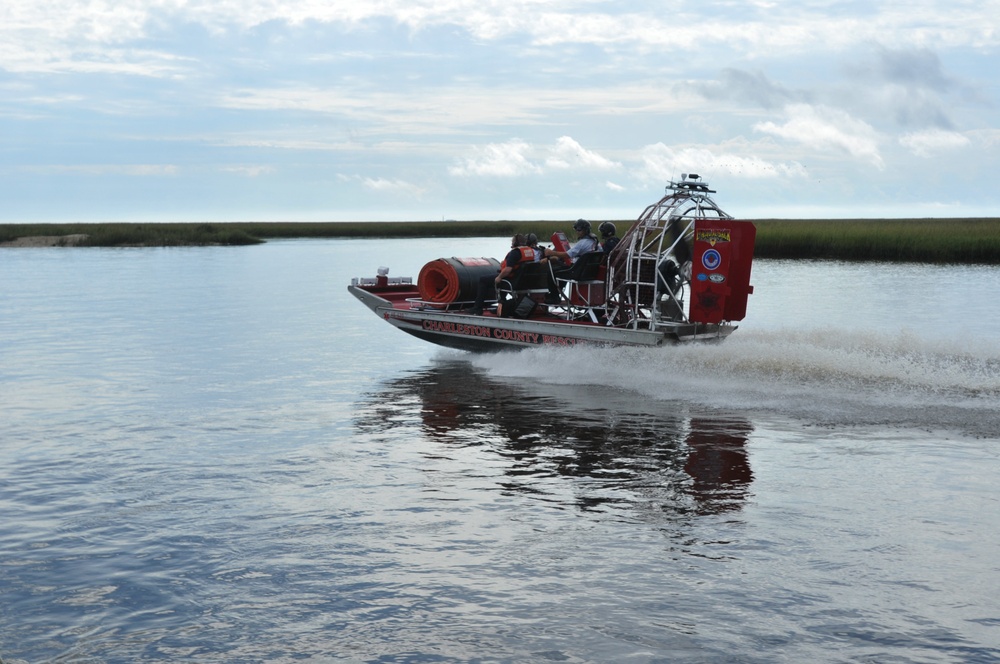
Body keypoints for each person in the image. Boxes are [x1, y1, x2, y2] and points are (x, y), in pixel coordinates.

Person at [465, 233, 536, 315]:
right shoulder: (530, 252)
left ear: (515, 243)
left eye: (512, 241)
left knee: (483, 280)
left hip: (512, 282)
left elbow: (508, 269)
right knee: (503, 279)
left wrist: (499, 277)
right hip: (522, 281)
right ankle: (502, 307)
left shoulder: (515, 253)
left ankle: (477, 308)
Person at [544, 219, 601, 303]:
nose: (577, 232)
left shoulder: (582, 243)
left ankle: (554, 297)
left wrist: (551, 252)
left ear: (585, 230)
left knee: (552, 272)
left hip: (578, 272)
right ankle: (559, 294)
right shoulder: (595, 242)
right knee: (563, 268)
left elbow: (567, 255)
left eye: (578, 230)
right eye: (576, 230)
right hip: (589, 271)